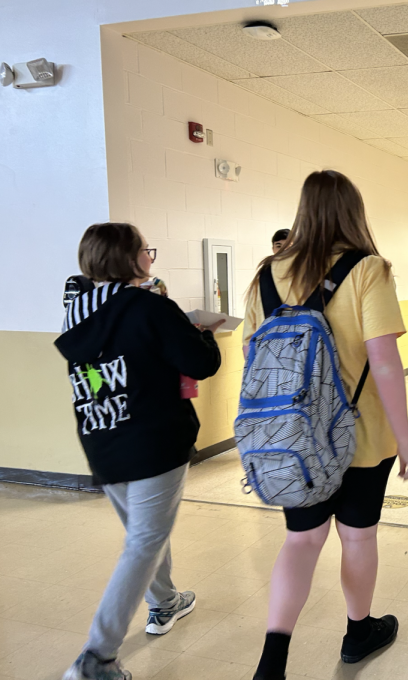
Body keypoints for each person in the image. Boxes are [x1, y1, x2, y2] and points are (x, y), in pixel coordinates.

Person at [243, 170, 408, 680]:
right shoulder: (369, 269)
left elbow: (254, 359)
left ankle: (271, 663)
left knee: (301, 541)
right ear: (353, 210)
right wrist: (406, 441)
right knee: (358, 537)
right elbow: (384, 361)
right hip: (362, 438)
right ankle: (357, 633)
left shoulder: (266, 274)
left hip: (293, 441)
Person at [56, 223, 223, 680]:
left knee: (144, 535)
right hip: (152, 440)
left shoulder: (75, 312)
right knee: (145, 540)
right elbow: (200, 364)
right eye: (144, 250)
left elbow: (102, 369)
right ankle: (98, 656)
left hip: (102, 439)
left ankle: (165, 601)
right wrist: (202, 331)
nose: (150, 256)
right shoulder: (151, 307)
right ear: (130, 259)